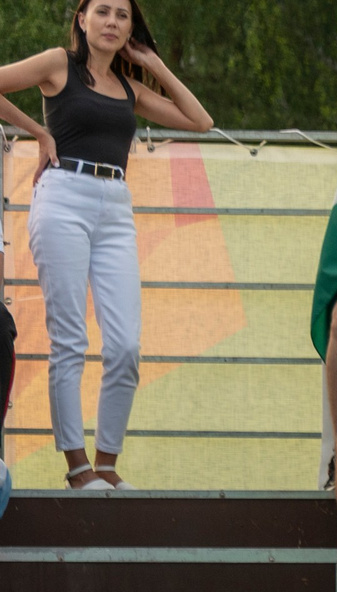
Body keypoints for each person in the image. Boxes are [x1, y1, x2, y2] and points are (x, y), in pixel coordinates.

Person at [5, 0, 213, 488]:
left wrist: (153, 63)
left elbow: (200, 121)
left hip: (116, 205)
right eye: (102, 12)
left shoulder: (129, 88)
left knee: (125, 345)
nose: (112, 22)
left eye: (122, 15)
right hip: (63, 196)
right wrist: (38, 131)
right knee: (71, 339)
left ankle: (108, 465)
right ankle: (77, 468)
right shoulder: (59, 64)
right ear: (82, 19)